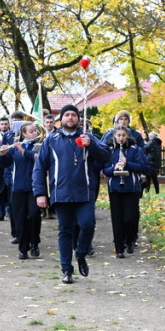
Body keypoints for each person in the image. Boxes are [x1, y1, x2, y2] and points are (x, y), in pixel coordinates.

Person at [33, 103, 110, 283]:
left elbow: (106, 157)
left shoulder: (88, 137)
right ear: (62, 119)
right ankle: (66, 269)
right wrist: (40, 193)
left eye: (73, 115)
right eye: (66, 115)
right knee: (65, 231)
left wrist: (91, 145)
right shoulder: (51, 140)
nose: (70, 118)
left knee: (88, 224)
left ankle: (81, 254)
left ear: (78, 118)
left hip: (84, 193)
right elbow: (39, 168)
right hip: (61, 193)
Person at [103, 127, 149, 257]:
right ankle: (119, 249)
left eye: (123, 135)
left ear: (127, 136)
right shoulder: (110, 151)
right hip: (115, 188)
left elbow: (143, 167)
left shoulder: (135, 150)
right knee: (117, 219)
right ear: (114, 137)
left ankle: (130, 239)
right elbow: (105, 170)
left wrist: (127, 164)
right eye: (118, 135)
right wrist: (114, 167)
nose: (121, 138)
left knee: (130, 218)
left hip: (132, 187)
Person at [0, 122, 41, 260]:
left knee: (34, 215)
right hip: (17, 187)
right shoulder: (15, 147)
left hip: (34, 187)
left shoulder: (40, 147)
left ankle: (34, 243)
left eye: (35, 131)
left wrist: (23, 151)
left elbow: (38, 159)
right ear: (24, 134)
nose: (34, 133)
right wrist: (3, 154)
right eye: (31, 131)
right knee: (20, 219)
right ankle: (23, 249)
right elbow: (4, 164)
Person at [143, 131, 161, 196]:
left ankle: (147, 192)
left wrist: (145, 143)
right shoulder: (158, 143)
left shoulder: (151, 143)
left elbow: (145, 149)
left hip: (150, 163)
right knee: (155, 179)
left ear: (152, 137)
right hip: (155, 163)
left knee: (148, 178)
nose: (149, 137)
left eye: (150, 136)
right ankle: (157, 192)